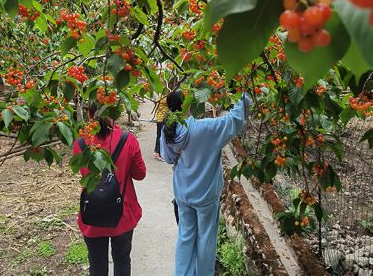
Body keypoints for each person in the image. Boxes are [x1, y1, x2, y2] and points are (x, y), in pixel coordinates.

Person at [160, 90, 250, 276]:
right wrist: (243, 92)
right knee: (206, 240)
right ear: (185, 105)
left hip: (183, 193)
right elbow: (235, 120)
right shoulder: (205, 128)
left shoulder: (168, 129)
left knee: (185, 237)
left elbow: (168, 159)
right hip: (206, 195)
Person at [73, 104, 146, 276]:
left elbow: (82, 172)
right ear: (114, 113)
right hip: (122, 214)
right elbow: (140, 174)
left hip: (92, 213)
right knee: (122, 260)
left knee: (97, 264)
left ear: (89, 115)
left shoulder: (81, 143)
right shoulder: (127, 139)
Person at [153, 93, 169, 160]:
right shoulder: (165, 97)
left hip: (159, 118)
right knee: (161, 136)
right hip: (162, 119)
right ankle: (159, 153)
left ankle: (156, 151)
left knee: (159, 135)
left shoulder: (160, 96)